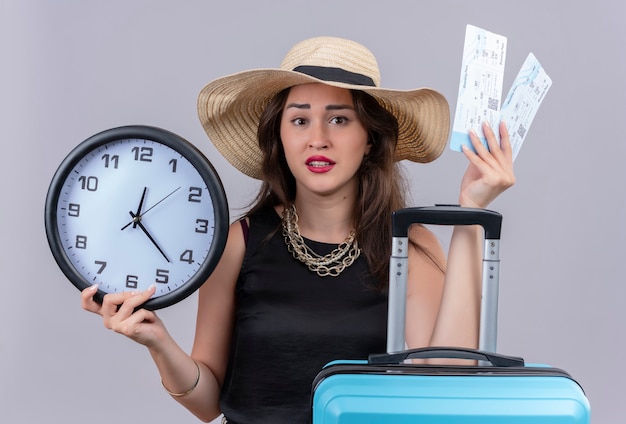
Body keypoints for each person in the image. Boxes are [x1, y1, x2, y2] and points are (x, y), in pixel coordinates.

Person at [81, 36, 514, 423]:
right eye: (300, 119)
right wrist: (156, 341)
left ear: (370, 139)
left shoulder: (408, 243)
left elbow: (447, 377)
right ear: (279, 136)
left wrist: (470, 214)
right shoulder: (239, 242)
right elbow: (208, 403)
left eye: (340, 119)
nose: (318, 138)